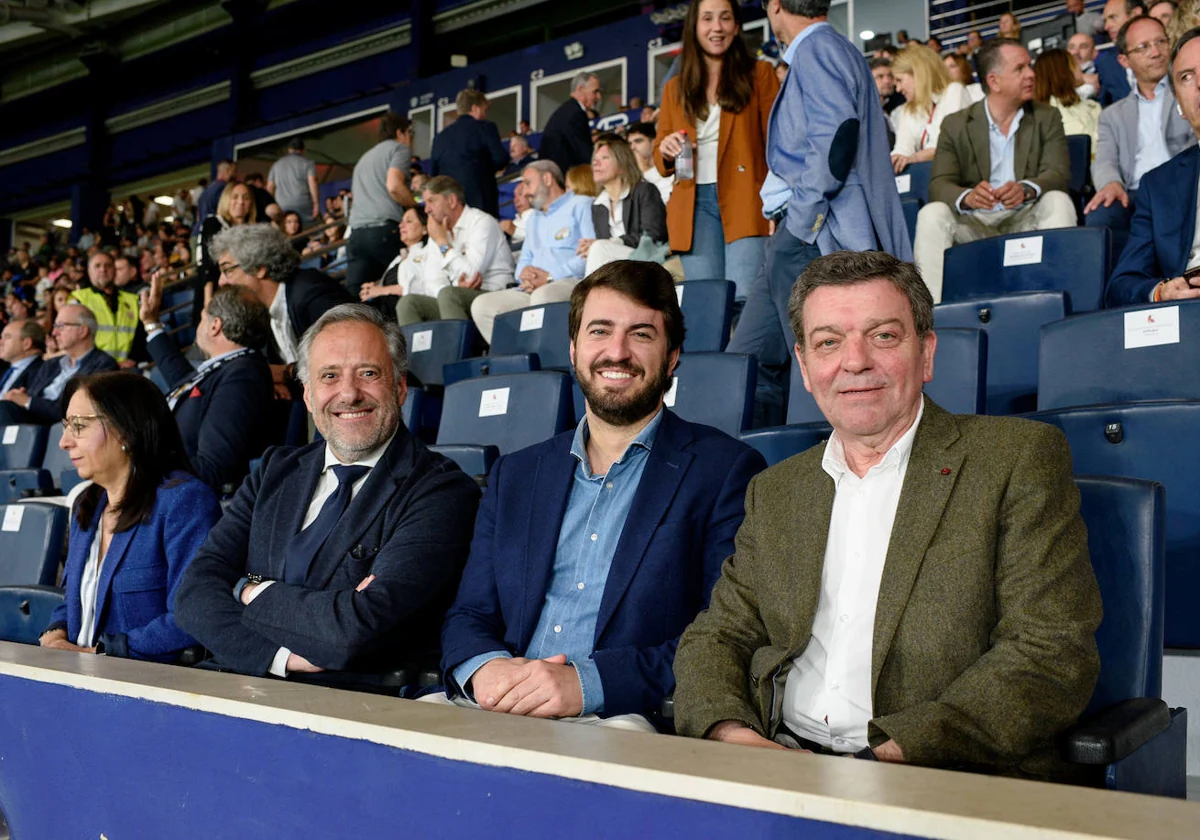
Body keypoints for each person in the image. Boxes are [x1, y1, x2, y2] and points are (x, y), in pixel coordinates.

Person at [673, 250, 1102, 782]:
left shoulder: (1015, 459)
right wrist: (733, 737)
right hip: (778, 765)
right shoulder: (777, 489)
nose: (855, 362)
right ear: (805, 368)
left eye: (882, 336)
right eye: (829, 342)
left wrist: (880, 762)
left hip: (939, 774)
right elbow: (717, 637)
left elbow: (1049, 654)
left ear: (926, 352)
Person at [432, 261, 765, 730]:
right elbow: (470, 612)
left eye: (642, 334)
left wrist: (586, 684)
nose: (617, 351)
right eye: (600, 331)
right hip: (492, 703)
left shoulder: (725, 471)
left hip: (619, 716)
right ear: (573, 349)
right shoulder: (517, 473)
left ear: (671, 356)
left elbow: (720, 638)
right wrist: (483, 669)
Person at [174, 304, 480, 686]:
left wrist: (248, 589)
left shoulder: (441, 491)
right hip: (239, 681)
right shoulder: (274, 470)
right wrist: (280, 656)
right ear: (307, 395)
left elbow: (353, 631)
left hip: (348, 705)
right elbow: (193, 593)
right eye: (329, 376)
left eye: (368, 374)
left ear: (399, 387)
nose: (348, 394)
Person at [728, 0, 910, 424]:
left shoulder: (817, 47)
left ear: (774, 7)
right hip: (796, 233)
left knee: (818, 365)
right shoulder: (830, 47)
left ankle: (821, 466)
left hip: (815, 230)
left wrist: (801, 221)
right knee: (749, 362)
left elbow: (836, 137)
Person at [39, 372, 221, 661]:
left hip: (146, 688)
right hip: (77, 677)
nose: (64, 442)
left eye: (78, 426)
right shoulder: (87, 503)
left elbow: (191, 616)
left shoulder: (184, 502)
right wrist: (56, 631)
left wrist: (98, 653)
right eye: (65, 426)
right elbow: (77, 597)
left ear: (124, 429)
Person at [914, 39, 1075, 302]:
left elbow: (1058, 173)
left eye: (1030, 66)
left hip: (1025, 216)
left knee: (1058, 200)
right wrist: (966, 196)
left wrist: (1025, 189)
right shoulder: (956, 124)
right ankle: (931, 317)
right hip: (975, 221)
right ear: (994, 81)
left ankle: (1060, 302)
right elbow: (939, 184)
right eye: (1020, 68)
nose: (1031, 74)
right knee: (932, 213)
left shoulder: (1047, 117)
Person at [654, 0, 779, 302]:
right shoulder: (674, 88)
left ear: (736, 27)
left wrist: (777, 202)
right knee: (707, 305)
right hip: (692, 207)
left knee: (744, 300)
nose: (716, 27)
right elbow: (659, 155)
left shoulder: (760, 74)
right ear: (694, 27)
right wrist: (667, 149)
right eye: (707, 18)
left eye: (725, 18)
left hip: (747, 199)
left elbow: (777, 142)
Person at [141, 277, 277, 494]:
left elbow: (213, 467)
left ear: (215, 326)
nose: (199, 324)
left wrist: (139, 472)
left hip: (183, 495)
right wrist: (151, 324)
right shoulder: (229, 366)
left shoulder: (242, 375)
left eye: (203, 317)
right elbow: (185, 382)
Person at [1105, 25, 1200, 304]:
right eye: (1186, 77)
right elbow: (1121, 285)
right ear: (1179, 106)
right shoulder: (1158, 186)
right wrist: (1162, 292)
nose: (1199, 83)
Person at [1085, 15, 1194, 258]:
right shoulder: (1112, 115)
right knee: (1101, 214)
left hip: (1183, 183)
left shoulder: (1189, 93)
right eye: (1143, 47)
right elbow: (1105, 160)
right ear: (1124, 60)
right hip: (1133, 194)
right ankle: (1115, 293)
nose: (1156, 52)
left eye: (1161, 42)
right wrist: (1111, 183)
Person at [469, 161, 595, 344]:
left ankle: (550, 360)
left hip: (570, 282)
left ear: (547, 178)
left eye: (528, 183)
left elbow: (589, 255)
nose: (526, 191)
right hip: (532, 288)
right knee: (482, 305)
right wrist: (524, 275)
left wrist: (550, 277)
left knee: (543, 295)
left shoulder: (581, 204)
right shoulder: (534, 219)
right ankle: (517, 363)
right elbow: (524, 260)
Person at [395, 176, 515, 326]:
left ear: (451, 201)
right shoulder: (437, 232)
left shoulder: (481, 222)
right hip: (455, 297)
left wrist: (443, 243)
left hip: (494, 293)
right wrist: (456, 287)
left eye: (432, 201)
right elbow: (431, 281)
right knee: (408, 303)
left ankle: (457, 349)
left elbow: (472, 274)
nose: (427, 210)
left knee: (449, 295)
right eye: (425, 203)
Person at [0, 303, 118, 425]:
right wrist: (20, 397)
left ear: (82, 331)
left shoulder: (104, 365)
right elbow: (32, 395)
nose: (54, 332)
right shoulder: (51, 364)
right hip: (32, 426)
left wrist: (28, 401)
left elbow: (76, 411)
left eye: (61, 326)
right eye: (55, 326)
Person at [347, 112, 417, 297]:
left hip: (357, 235)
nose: (411, 139)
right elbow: (394, 185)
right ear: (401, 133)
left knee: (357, 298)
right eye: (411, 133)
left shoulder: (363, 159)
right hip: (383, 232)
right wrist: (414, 208)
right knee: (398, 286)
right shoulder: (399, 149)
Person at [579, 134, 668, 276]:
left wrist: (612, 242)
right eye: (595, 159)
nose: (595, 163)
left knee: (599, 247)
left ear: (622, 164)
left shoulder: (644, 190)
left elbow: (654, 234)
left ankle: (590, 295)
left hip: (647, 260)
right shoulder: (598, 206)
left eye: (605, 158)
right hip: (617, 267)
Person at [890, 44, 972, 174]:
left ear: (918, 74)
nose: (898, 89)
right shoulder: (907, 109)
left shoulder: (954, 92)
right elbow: (902, 149)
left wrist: (914, 158)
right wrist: (895, 160)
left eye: (900, 80)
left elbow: (947, 146)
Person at [431, 89, 510, 218]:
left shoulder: (440, 138)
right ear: (475, 108)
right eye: (484, 110)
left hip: (450, 210)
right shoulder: (485, 127)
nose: (485, 115)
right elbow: (501, 159)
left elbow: (434, 175)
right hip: (481, 206)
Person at [194, 181, 258, 326]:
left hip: (246, 299)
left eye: (246, 198)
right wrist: (208, 302)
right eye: (235, 197)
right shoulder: (213, 223)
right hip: (215, 295)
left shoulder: (255, 231)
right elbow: (206, 263)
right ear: (226, 200)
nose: (240, 202)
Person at [71, 251, 146, 367]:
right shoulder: (78, 299)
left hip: (127, 369)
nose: (103, 269)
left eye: (108, 265)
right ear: (89, 271)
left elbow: (140, 335)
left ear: (115, 271)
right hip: (91, 370)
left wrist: (132, 360)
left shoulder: (132, 300)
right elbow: (73, 340)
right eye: (97, 266)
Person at [359, 206, 431, 319]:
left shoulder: (428, 253)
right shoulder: (398, 258)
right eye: (402, 221)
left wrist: (381, 291)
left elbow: (419, 289)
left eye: (409, 221)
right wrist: (371, 289)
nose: (401, 225)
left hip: (402, 308)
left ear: (425, 228)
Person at [1034, 48, 1103, 156]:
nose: (1080, 67)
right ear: (1061, 72)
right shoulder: (1045, 115)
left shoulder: (1093, 106)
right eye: (1074, 64)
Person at [540, 72, 602, 175]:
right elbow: (585, 154)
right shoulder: (576, 114)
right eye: (595, 92)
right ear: (580, 89)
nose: (598, 97)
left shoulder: (567, 110)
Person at [1099, 1, 1146, 101]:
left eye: (1113, 17)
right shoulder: (1107, 65)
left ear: (1135, 14)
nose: (1106, 27)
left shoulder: (1163, 52)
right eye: (1105, 21)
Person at [267, 137, 320, 223]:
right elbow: (312, 182)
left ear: (289, 150)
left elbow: (270, 187)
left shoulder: (276, 165)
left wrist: (270, 206)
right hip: (302, 203)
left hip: (281, 205)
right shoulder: (308, 163)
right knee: (309, 230)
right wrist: (316, 204)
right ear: (303, 151)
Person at [625, 121, 674, 206]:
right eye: (630, 143)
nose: (632, 147)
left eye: (638, 141)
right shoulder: (630, 178)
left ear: (654, 142)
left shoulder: (669, 167)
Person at [0, 319, 45, 395]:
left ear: (26, 344)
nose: (1, 342)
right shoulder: (4, 370)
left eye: (7, 337)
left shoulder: (42, 372)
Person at [193, 160, 237, 234]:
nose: (236, 174)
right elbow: (224, 212)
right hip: (210, 235)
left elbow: (198, 215)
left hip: (197, 232)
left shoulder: (206, 191)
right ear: (227, 171)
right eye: (234, 171)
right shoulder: (224, 189)